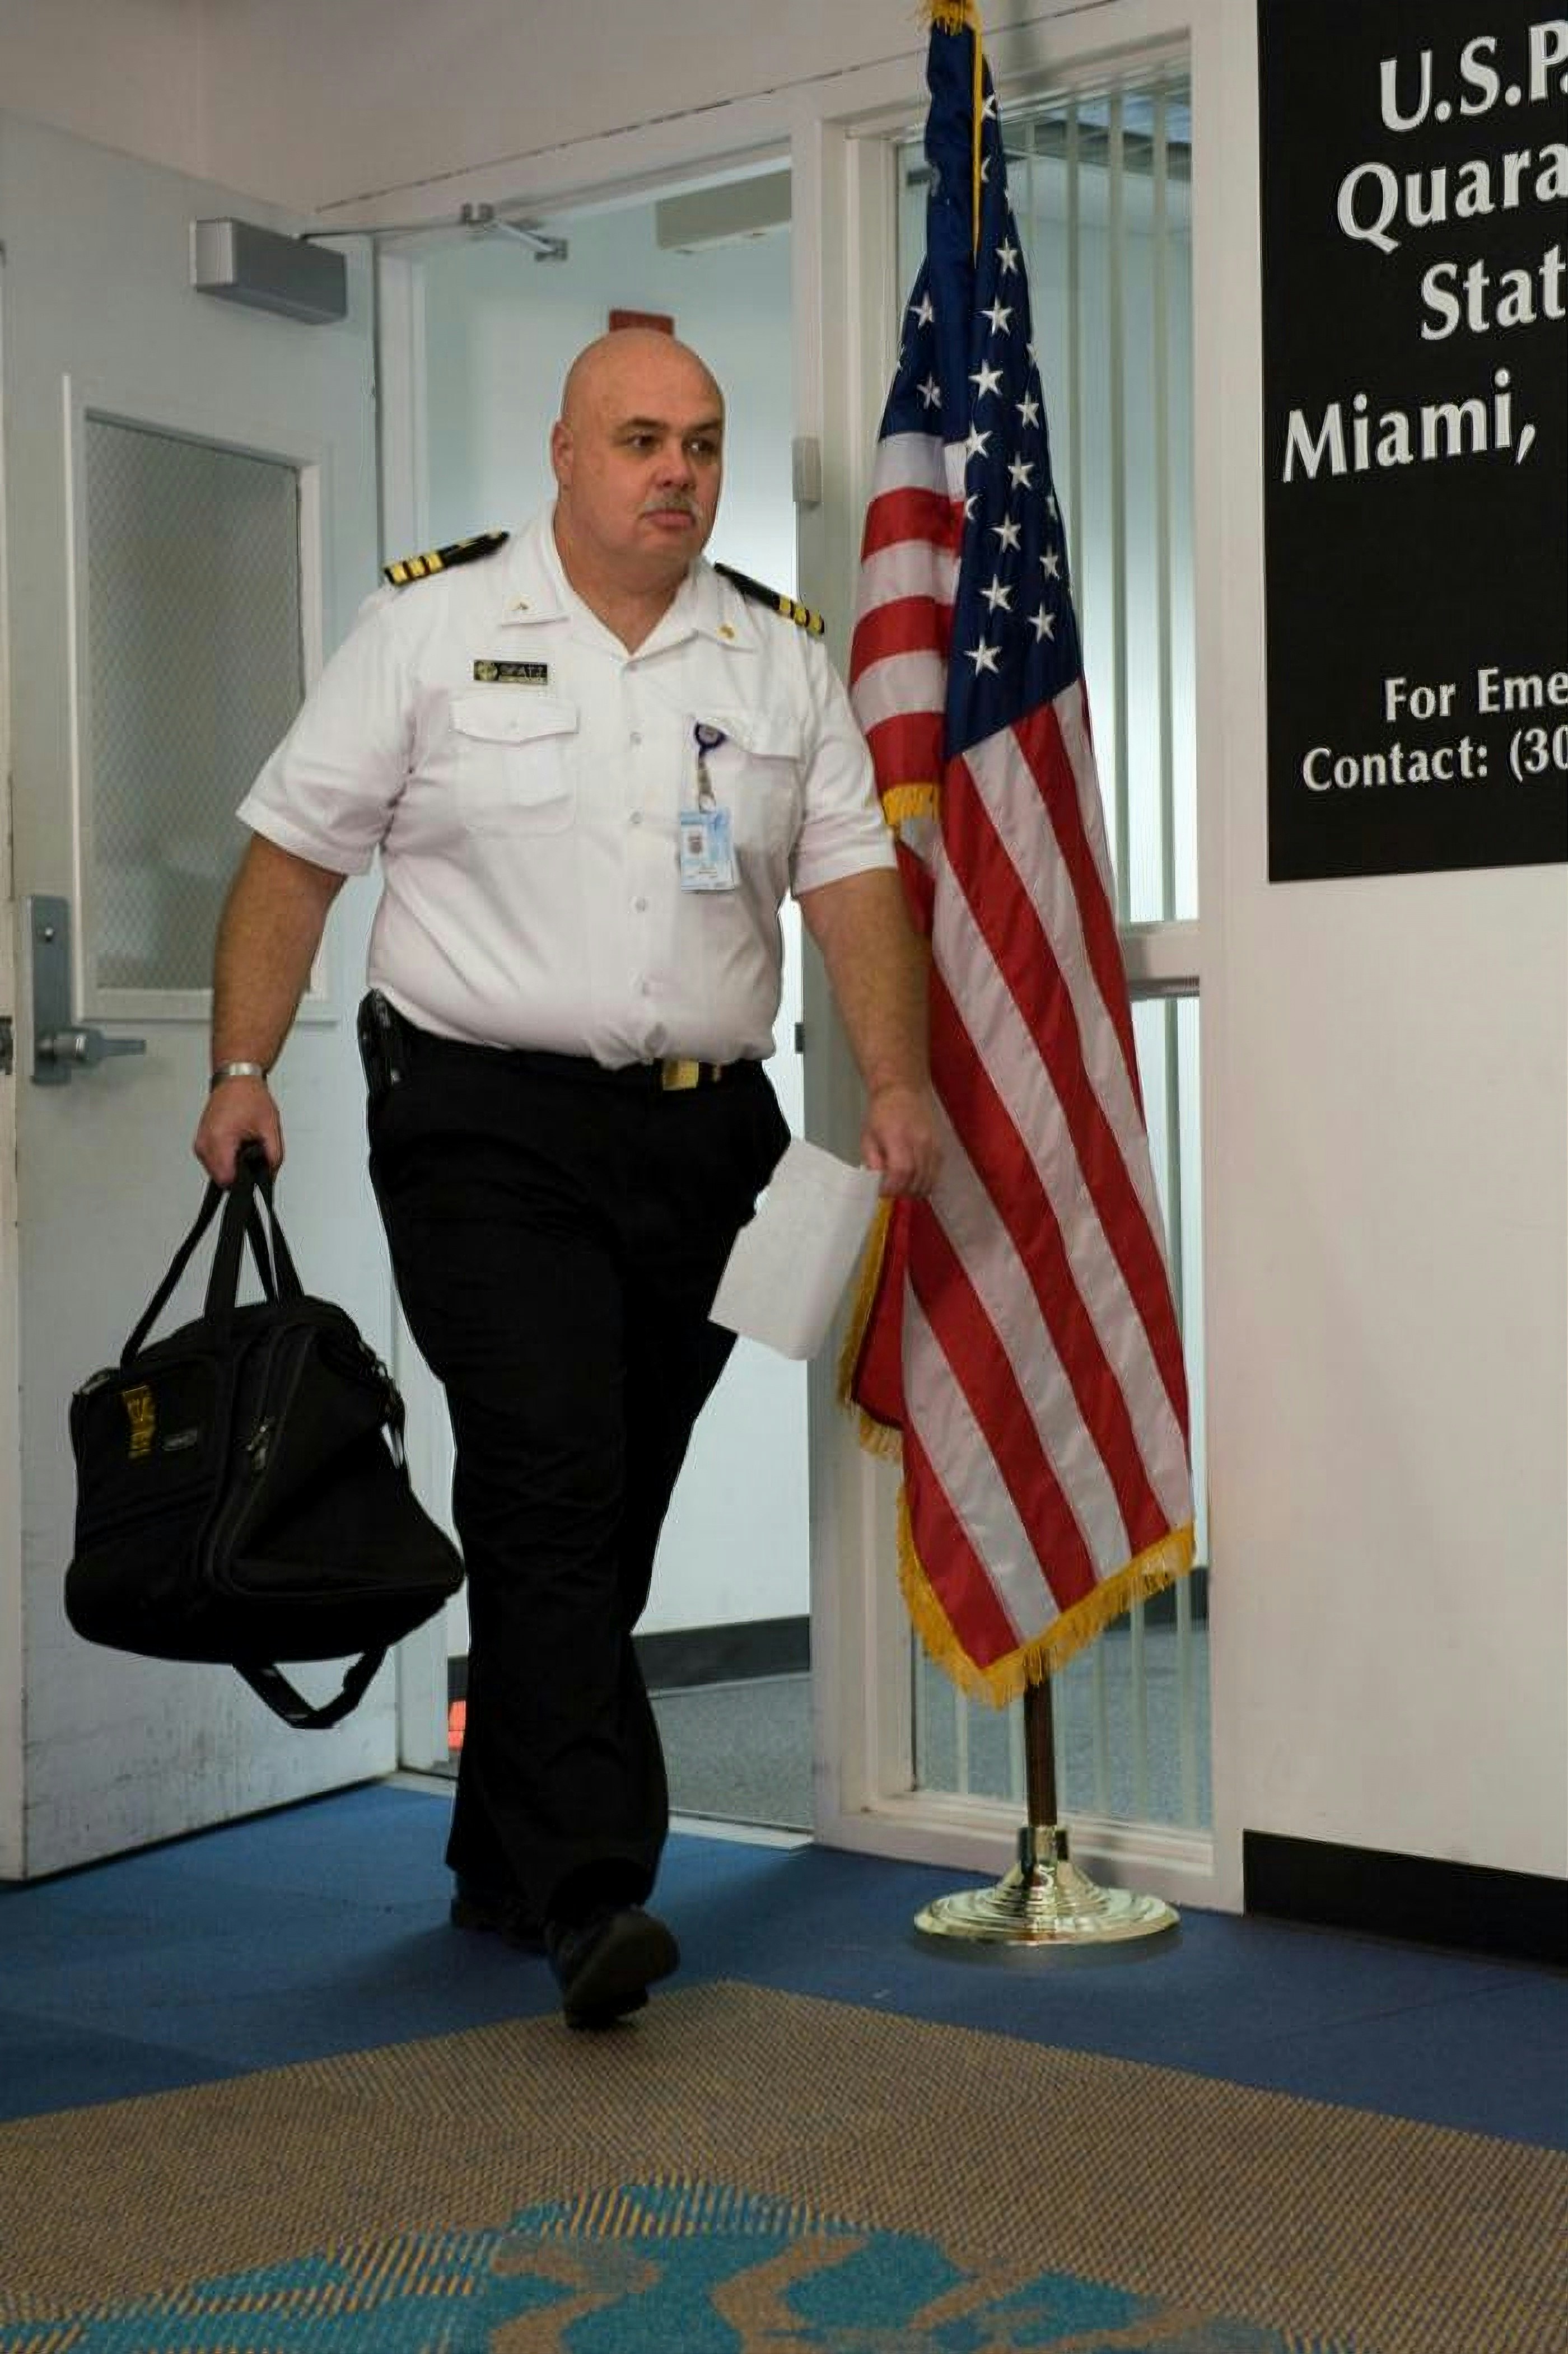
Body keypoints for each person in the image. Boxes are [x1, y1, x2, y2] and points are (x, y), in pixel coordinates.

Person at [193, 328, 940, 2029]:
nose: (675, 471)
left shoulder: (772, 656)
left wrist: (892, 1077)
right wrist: (240, 1069)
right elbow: (293, 858)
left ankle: (494, 1850)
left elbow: (851, 885)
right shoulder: (434, 632)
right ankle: (597, 1889)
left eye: (701, 441)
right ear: (562, 456)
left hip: (706, 1134)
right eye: (639, 440)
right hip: (478, 1123)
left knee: (613, 1507)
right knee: (550, 1462)